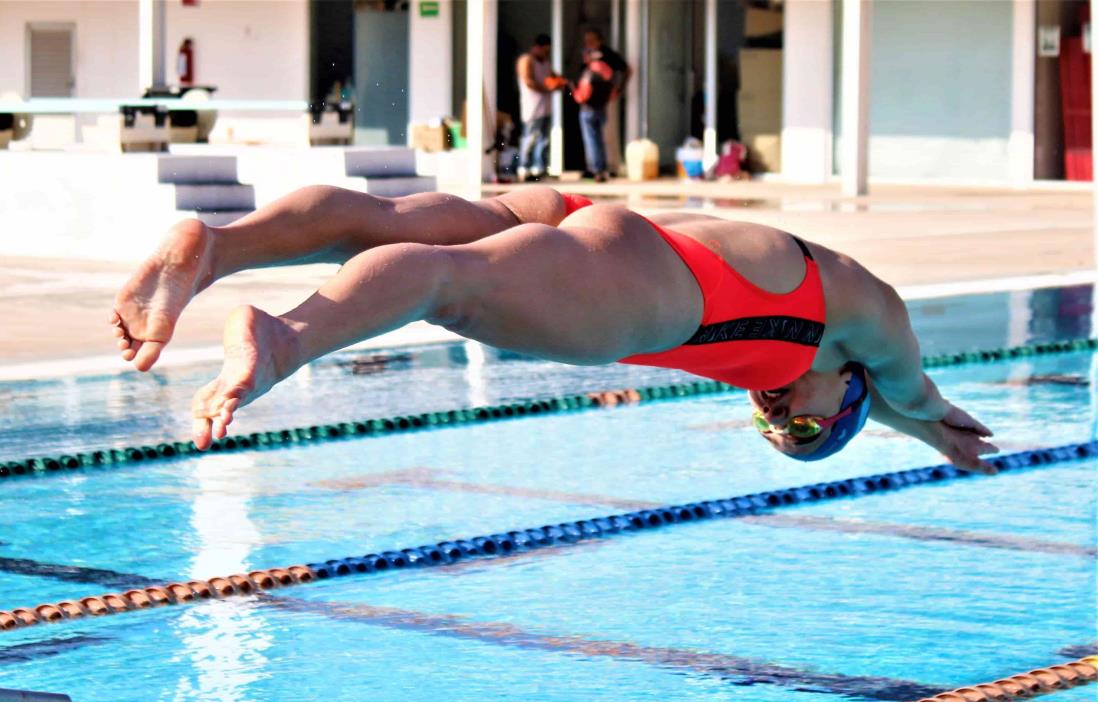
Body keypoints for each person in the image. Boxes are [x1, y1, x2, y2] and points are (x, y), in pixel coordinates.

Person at [110, 186, 997, 474]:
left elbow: (873, 402)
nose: (774, 419)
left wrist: (908, 430)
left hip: (595, 221)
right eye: (800, 426)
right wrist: (939, 422)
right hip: (655, 286)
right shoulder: (870, 318)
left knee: (382, 225)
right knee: (449, 285)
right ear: (847, 382)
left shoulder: (817, 352)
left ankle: (218, 244)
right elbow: (911, 386)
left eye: (777, 434)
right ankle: (283, 339)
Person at [576, 29, 630, 182]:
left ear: (599, 41)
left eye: (591, 40)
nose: (588, 43)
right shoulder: (588, 56)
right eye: (586, 40)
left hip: (604, 101)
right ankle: (594, 167)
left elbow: (625, 70)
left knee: (605, 134)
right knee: (592, 136)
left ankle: (607, 167)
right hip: (590, 101)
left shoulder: (607, 56)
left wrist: (618, 89)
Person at [516, 34, 563, 182]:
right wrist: (547, 88)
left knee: (544, 140)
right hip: (532, 107)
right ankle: (524, 167)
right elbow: (528, 81)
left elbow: (556, 78)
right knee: (530, 138)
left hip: (545, 107)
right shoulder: (527, 61)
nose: (546, 54)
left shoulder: (546, 63)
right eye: (544, 50)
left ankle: (539, 167)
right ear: (537, 47)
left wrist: (561, 83)